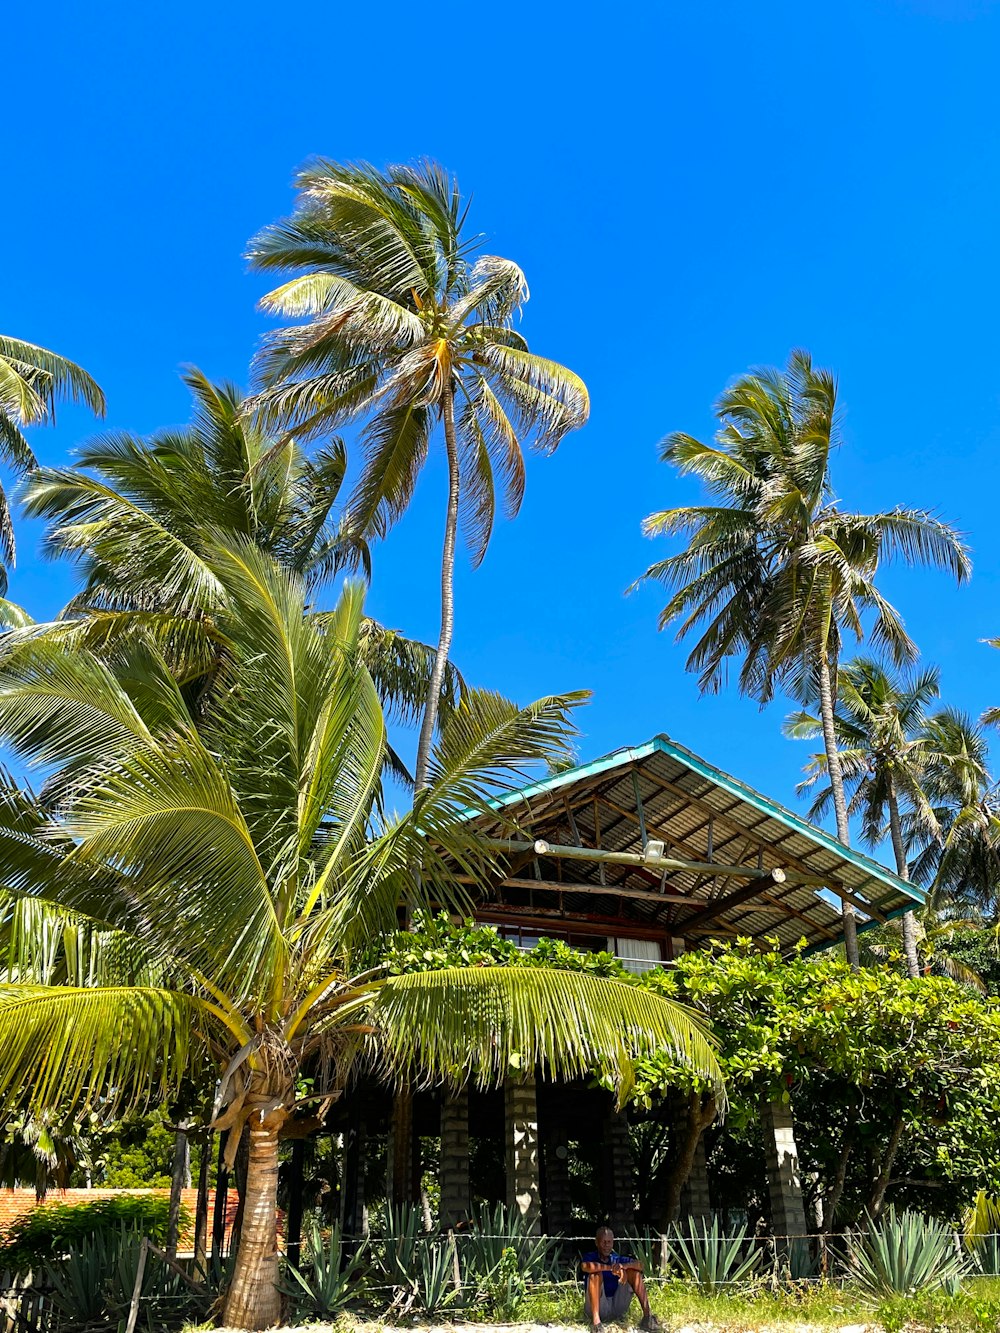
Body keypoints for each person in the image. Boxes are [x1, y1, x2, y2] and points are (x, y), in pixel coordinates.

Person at [580, 1225, 660, 1332]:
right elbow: (585, 1266)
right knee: (595, 1274)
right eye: (603, 1242)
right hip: (598, 1307)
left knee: (634, 1273)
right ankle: (596, 1324)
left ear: (613, 1243)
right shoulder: (590, 1257)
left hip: (617, 1306)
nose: (606, 1245)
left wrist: (623, 1267)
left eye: (609, 1242)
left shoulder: (617, 1258)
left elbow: (640, 1265)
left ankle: (647, 1317)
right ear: (596, 1242)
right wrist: (611, 1268)